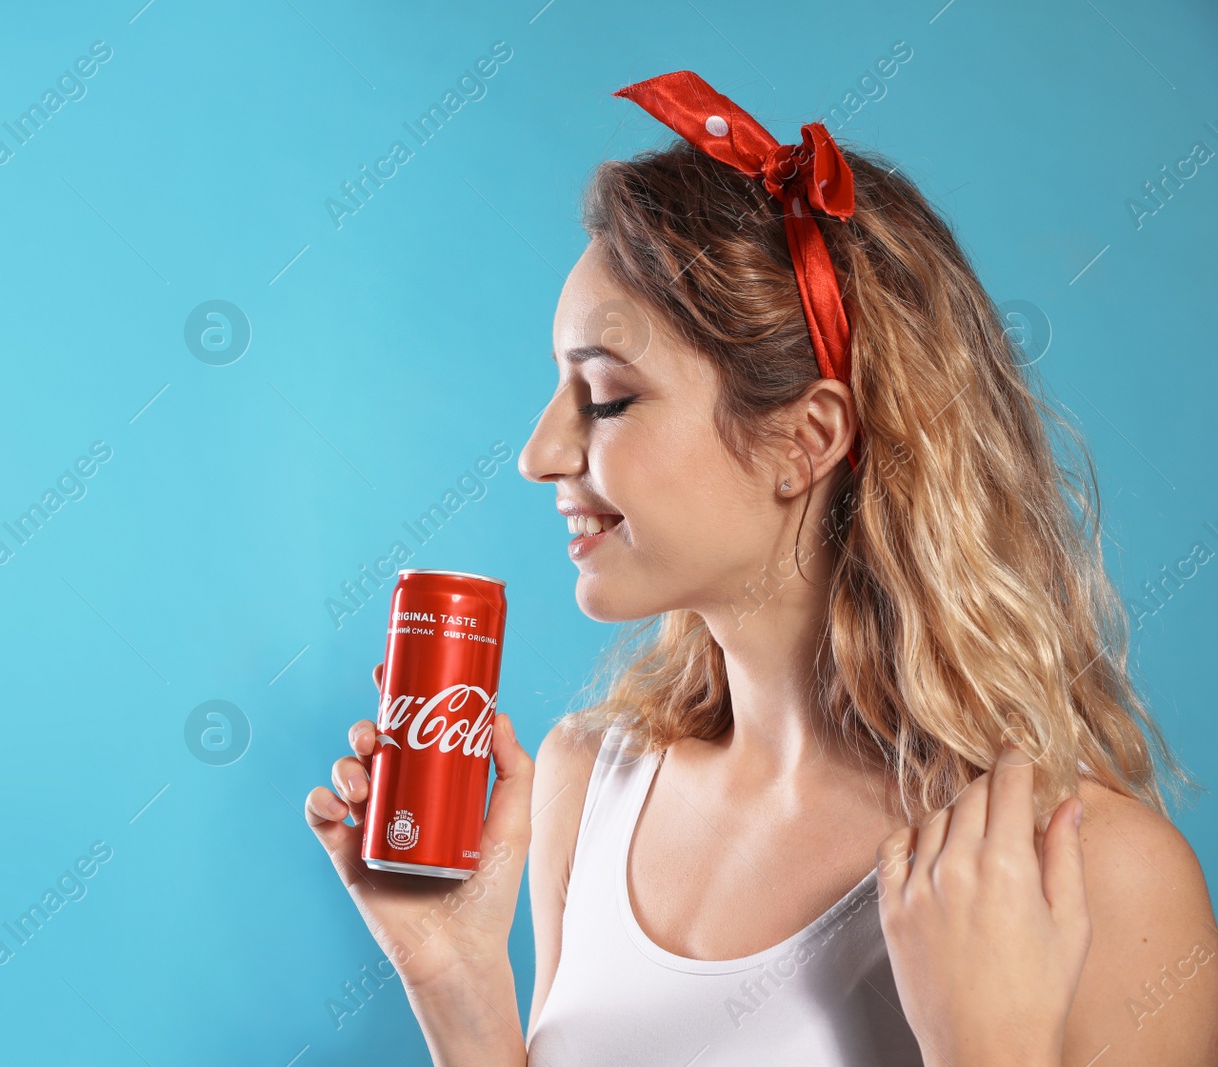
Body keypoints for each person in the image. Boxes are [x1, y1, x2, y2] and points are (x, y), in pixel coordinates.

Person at [304, 69, 1218, 1065]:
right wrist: (455, 979)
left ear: (804, 438)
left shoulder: (1091, 870)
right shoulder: (588, 780)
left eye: (605, 398)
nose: (540, 453)